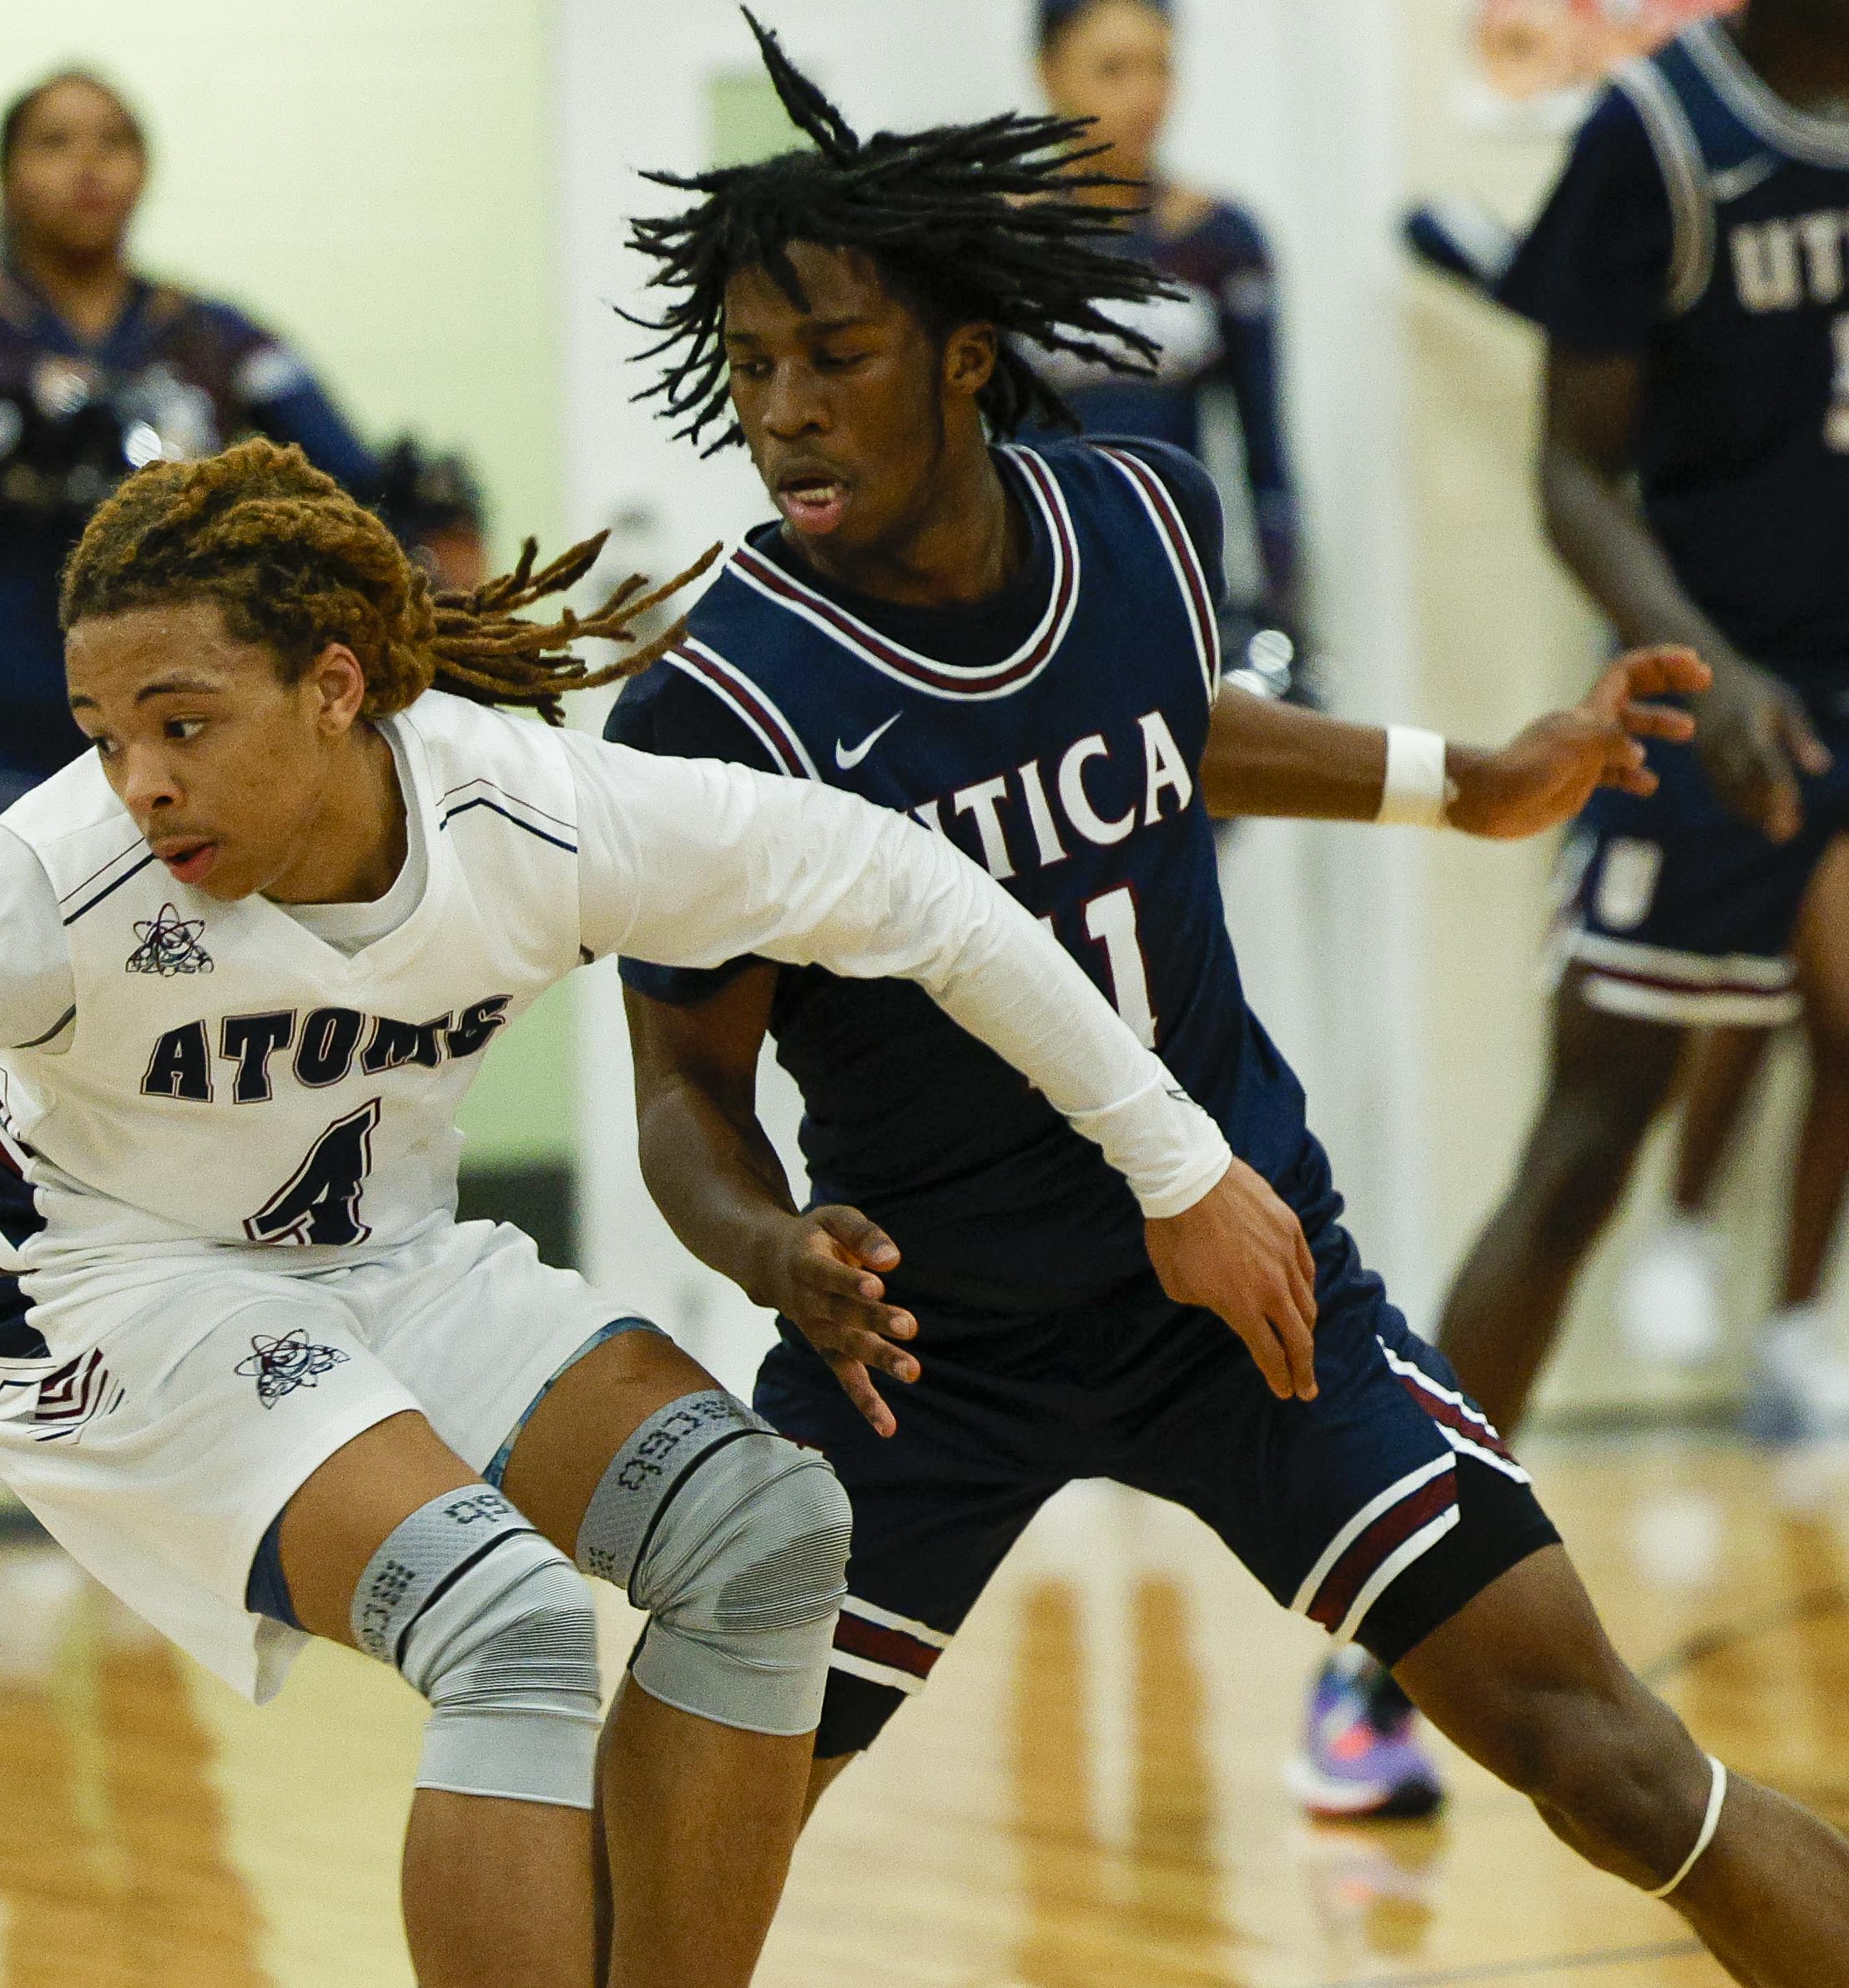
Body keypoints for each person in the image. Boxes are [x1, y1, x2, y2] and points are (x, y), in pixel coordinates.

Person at [0, 439, 1314, 1988]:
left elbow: (908, 889)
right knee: (513, 1627)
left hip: (374, 1261)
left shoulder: (534, 817)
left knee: (766, 1529)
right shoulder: (49, 882)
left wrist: (1182, 1161)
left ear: (336, 683)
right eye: (100, 727)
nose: (132, 778)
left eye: (183, 723)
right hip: (90, 1298)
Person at [607, 18, 1849, 1970]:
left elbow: (1184, 728)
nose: (781, 412)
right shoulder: (716, 704)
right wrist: (771, 1248)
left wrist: (1468, 781)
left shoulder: (1137, 514)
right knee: (652, 1906)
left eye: (830, 357)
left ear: (956, 355)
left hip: (1242, 1281)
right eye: (750, 368)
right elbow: (681, 1092)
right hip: (920, 1350)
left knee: (1611, 1765)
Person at [1415, 0, 1849, 1457]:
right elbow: (1572, 472)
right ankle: (1409, 1613)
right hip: (1721, 690)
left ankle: (1785, 1321)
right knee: (1583, 1147)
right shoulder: (1654, 137)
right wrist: (1709, 671)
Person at [0, 69, 383, 868]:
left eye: (115, 142)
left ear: (146, 170)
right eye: (54, 143)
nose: (88, 166)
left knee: (177, 978)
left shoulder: (206, 335)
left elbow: (355, 473)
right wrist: (3, 391)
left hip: (178, 730)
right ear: (5, 176)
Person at [1027, 0, 1307, 702]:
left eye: (1161, 67)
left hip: (1179, 597)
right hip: (1031, 602)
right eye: (1113, 70)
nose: (1145, 96)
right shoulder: (997, 247)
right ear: (1049, 74)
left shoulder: (1219, 239)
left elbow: (1266, 457)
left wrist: (1286, 624)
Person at [1617, 836, 1849, 1420]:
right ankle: (1682, 1222)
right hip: (1768, 765)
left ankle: (1795, 1320)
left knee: (1842, 1026)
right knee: (1755, 981)